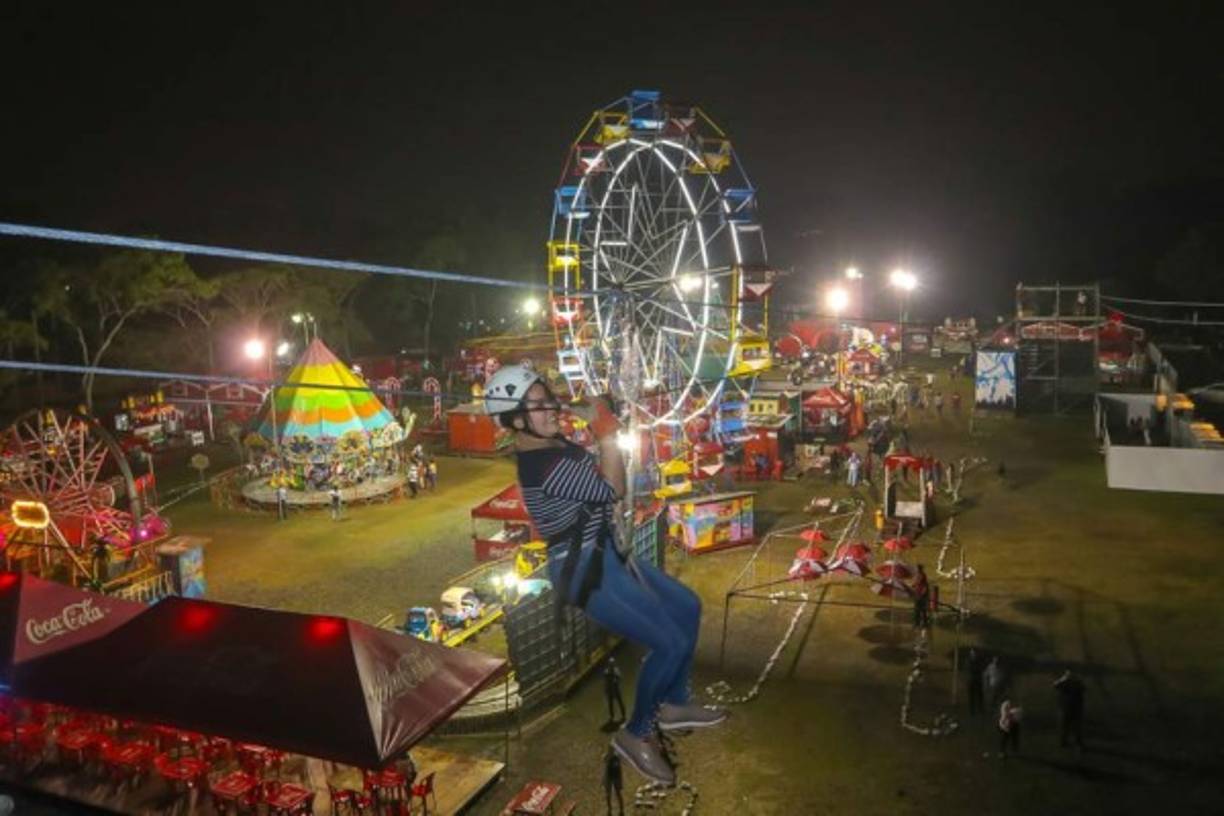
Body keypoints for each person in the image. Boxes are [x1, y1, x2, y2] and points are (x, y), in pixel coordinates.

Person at [484, 365, 725, 786]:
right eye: (539, 405)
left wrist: (590, 408)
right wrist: (609, 434)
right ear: (517, 420)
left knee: (688, 606)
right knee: (667, 643)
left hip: (607, 554)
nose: (552, 409)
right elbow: (613, 488)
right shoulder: (545, 465)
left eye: (549, 399)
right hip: (585, 570)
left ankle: (673, 703)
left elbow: (577, 436)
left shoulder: (547, 444)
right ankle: (637, 734)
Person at [1053, 669, 1086, 749]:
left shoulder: (1073, 683)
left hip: (1070, 708)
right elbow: (1055, 685)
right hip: (1069, 708)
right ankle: (1068, 742)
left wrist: (1064, 679)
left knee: (1071, 727)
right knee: (1068, 727)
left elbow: (1055, 685)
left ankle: (1073, 742)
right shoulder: (1067, 683)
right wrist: (1063, 679)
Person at [604, 657, 626, 725]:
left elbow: (620, 678)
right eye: (610, 664)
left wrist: (616, 680)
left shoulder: (616, 671)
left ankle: (623, 715)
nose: (611, 665)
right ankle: (612, 716)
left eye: (612, 664)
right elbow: (605, 682)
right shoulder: (606, 672)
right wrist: (606, 690)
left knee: (620, 702)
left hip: (616, 689)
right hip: (610, 690)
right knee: (611, 704)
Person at [603, 748, 625, 815]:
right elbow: (604, 759)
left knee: (618, 794)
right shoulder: (607, 756)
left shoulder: (617, 756)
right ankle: (609, 809)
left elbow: (620, 761)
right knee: (608, 794)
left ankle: (621, 810)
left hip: (616, 777)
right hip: (609, 777)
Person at [912, 564, 931, 628]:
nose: (916, 570)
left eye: (916, 568)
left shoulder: (922, 575)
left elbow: (924, 586)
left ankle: (922, 623)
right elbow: (915, 584)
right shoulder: (917, 575)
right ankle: (917, 623)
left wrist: (923, 594)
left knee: (921, 609)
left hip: (921, 595)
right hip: (917, 594)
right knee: (917, 609)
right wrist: (913, 585)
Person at [967, 648, 984, 716]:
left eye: (974, 653)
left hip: (977, 680)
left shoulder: (978, 661)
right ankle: (972, 710)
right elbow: (970, 669)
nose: (974, 655)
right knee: (972, 696)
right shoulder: (969, 661)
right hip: (972, 680)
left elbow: (980, 669)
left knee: (979, 696)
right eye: (972, 653)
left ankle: (980, 709)